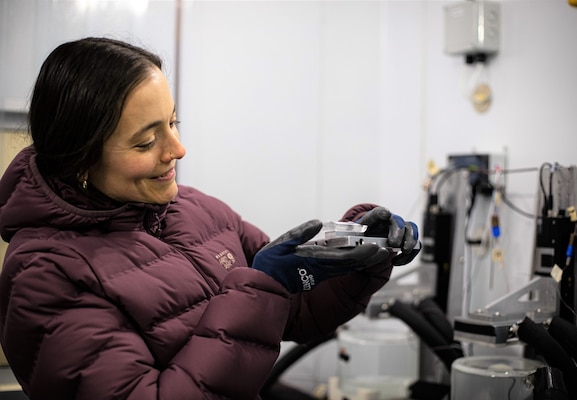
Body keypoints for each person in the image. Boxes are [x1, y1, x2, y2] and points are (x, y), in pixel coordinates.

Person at [0, 37, 420, 400]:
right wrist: (262, 288)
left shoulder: (197, 209)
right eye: (147, 141)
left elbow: (293, 307)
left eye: (172, 122)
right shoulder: (46, 274)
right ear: (80, 161)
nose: (177, 149)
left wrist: (361, 252)